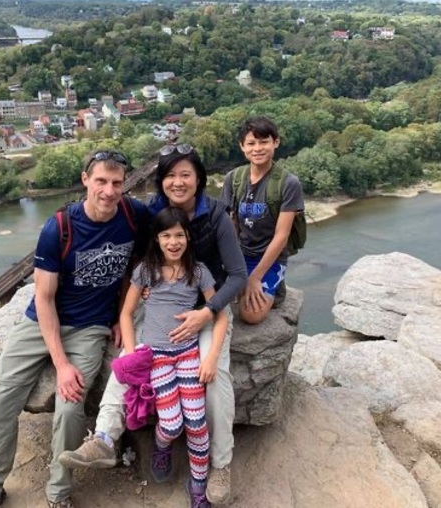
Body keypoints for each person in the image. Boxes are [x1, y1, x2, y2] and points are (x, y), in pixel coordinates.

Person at [59, 144, 247, 506]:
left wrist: (208, 311)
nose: (178, 182)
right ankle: (104, 437)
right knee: (130, 358)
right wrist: (123, 310)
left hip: (206, 305)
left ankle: (220, 464)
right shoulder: (153, 211)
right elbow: (132, 254)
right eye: (170, 175)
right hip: (160, 301)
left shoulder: (216, 215)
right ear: (161, 181)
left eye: (186, 175)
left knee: (215, 375)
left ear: (199, 179)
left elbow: (238, 274)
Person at [0, 150, 149, 508]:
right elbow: (44, 297)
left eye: (116, 183)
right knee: (3, 401)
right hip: (41, 323)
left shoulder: (134, 216)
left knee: (69, 410)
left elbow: (144, 258)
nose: (109, 191)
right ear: (85, 180)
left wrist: (121, 314)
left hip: (90, 327)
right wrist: (61, 364)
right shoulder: (59, 227)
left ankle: (58, 492)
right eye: (100, 181)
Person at [118, 206, 229, 508]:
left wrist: (211, 357)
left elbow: (219, 315)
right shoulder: (146, 270)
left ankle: (198, 485)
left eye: (179, 235)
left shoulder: (199, 271)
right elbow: (127, 314)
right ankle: (162, 446)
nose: (173, 242)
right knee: (171, 425)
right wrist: (132, 354)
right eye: (166, 236)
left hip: (187, 354)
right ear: (156, 239)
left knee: (196, 423)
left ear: (188, 237)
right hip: (157, 357)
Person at [221, 116, 305, 324]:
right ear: (242, 146)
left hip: (270, 257)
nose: (257, 148)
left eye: (264, 142)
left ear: (275, 142)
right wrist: (233, 267)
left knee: (251, 315)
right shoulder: (234, 179)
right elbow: (229, 224)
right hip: (241, 253)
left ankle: (276, 287)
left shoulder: (288, 183)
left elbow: (282, 236)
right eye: (251, 143)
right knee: (206, 292)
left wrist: (254, 278)